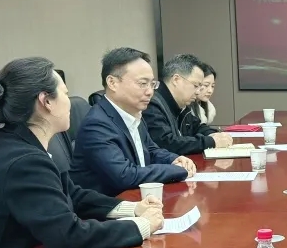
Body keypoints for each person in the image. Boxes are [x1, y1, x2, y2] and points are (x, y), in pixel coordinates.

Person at [0, 58, 164, 248]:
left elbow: (73, 195)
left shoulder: (18, 144)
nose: (69, 103)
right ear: (46, 101)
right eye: (65, 94)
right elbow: (66, 235)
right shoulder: (24, 161)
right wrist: (141, 226)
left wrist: (133, 209)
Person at [70, 47, 196, 197]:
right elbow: (124, 175)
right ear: (112, 83)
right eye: (142, 83)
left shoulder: (133, 113)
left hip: (137, 199)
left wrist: (174, 159)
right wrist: (176, 170)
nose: (150, 92)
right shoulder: (97, 124)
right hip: (109, 206)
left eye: (152, 84)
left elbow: (151, 150)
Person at [142, 54, 232, 155]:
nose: (198, 92)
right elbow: (167, 143)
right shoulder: (152, 104)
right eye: (196, 85)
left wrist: (215, 136)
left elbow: (197, 127)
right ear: (176, 80)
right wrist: (210, 142)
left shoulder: (182, 104)